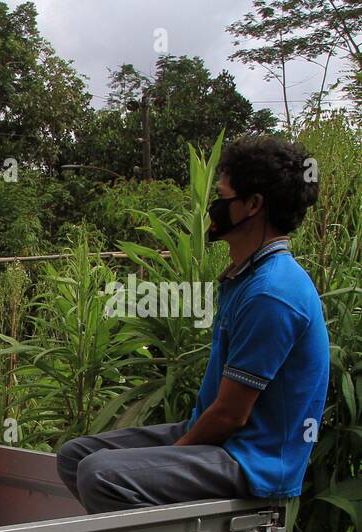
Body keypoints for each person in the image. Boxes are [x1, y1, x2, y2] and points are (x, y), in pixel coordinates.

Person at [56, 135, 329, 513]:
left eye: (223, 197)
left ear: (253, 205)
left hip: (254, 461)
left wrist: (169, 456)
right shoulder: (247, 276)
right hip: (222, 442)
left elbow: (232, 415)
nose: (213, 208)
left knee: (100, 474)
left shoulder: (272, 292)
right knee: (76, 455)